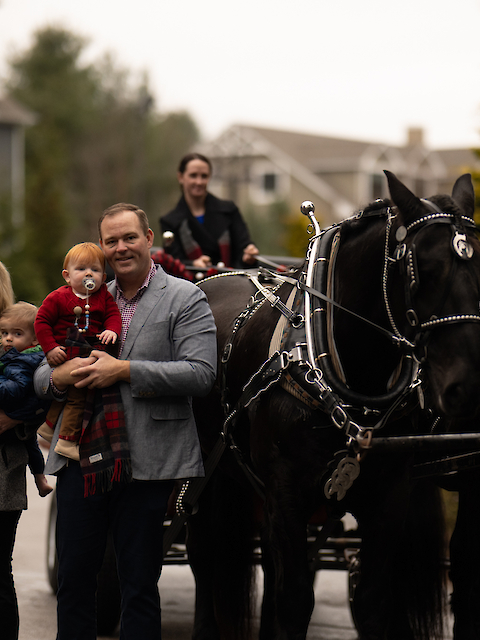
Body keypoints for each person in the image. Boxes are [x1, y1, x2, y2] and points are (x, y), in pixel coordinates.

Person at [34, 202, 217, 640]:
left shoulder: (185, 297)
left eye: (129, 237)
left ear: (149, 239)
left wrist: (126, 370)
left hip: (147, 463)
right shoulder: (83, 295)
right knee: (74, 581)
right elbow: (41, 372)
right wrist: (60, 376)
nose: (121, 248)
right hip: (82, 458)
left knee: (139, 585)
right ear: (101, 247)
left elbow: (202, 373)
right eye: (111, 240)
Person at [35, 242, 122, 461]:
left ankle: (48, 426)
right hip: (65, 353)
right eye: (81, 269)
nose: (88, 274)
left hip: (88, 351)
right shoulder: (58, 297)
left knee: (74, 395)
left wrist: (112, 329)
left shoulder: (103, 295)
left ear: (103, 276)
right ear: (67, 275)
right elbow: (41, 321)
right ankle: (66, 441)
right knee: (78, 399)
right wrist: (50, 348)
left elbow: (113, 315)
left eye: (95, 269)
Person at [0, 263, 44, 640]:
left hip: (3, 474)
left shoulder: (16, 338)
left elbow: (43, 393)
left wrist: (16, 419)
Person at [160, 152, 259, 269]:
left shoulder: (229, 210)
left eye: (204, 176)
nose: (199, 182)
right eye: (193, 175)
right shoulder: (169, 221)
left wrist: (249, 255)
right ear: (181, 177)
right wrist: (193, 264)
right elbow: (173, 262)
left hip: (233, 281)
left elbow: (244, 246)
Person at [0, 302, 52, 497]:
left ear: (35, 338)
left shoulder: (21, 361)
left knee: (29, 444)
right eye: (4, 333)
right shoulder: (24, 357)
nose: (8, 339)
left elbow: (17, 388)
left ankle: (40, 478)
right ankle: (40, 478)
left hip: (16, 412)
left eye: (17, 334)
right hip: (21, 413)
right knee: (31, 445)